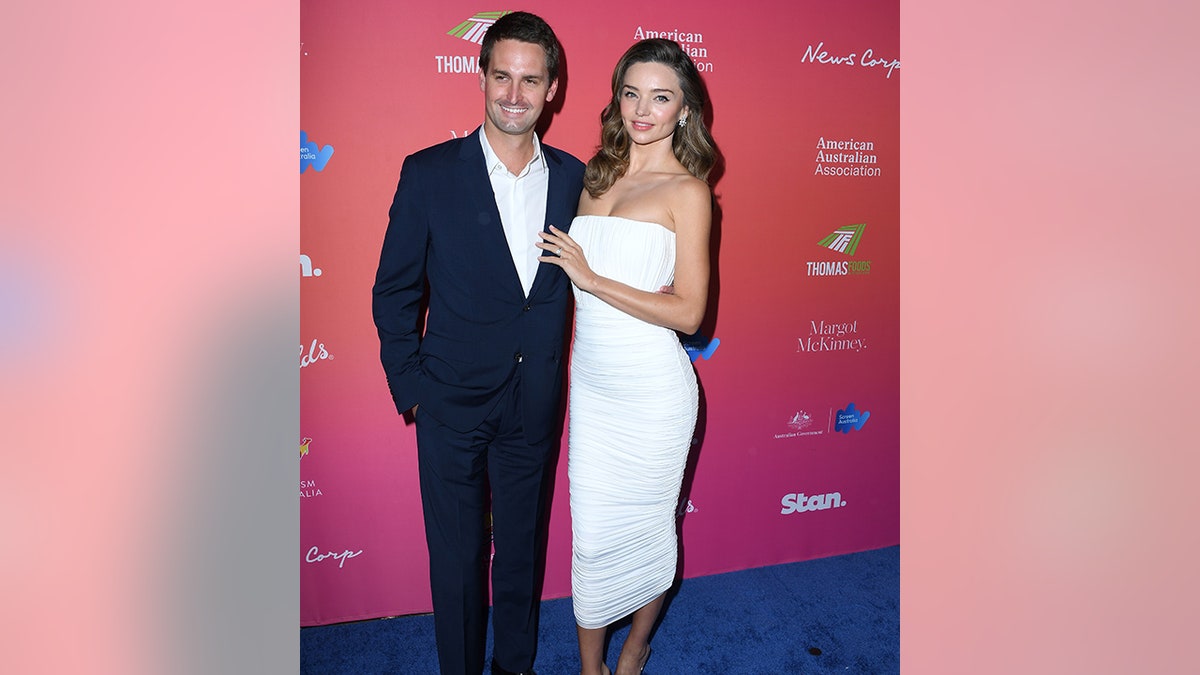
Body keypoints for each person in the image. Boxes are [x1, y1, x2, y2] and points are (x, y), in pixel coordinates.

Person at [371, 12, 585, 675]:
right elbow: (395, 291)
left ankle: (514, 666)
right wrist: (414, 391)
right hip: (450, 406)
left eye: (531, 79)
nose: (514, 95)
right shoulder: (429, 173)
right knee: (459, 560)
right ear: (482, 76)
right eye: (502, 77)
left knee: (521, 549)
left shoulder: (579, 180)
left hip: (533, 405)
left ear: (552, 88)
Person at [535, 38, 717, 675]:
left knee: (648, 532)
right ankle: (591, 670)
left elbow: (691, 313)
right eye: (631, 92)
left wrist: (593, 279)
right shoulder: (591, 178)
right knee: (591, 536)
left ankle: (635, 650)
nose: (643, 109)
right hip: (593, 389)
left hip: (653, 391)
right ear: (617, 99)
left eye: (661, 96)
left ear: (683, 112)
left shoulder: (687, 192)